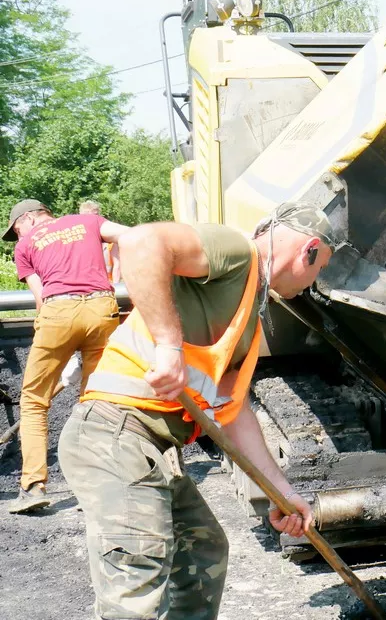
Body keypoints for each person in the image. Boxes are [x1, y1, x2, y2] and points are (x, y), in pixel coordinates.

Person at [58, 202, 338, 620]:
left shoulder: (248, 311)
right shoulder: (238, 252)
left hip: (153, 447)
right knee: (137, 580)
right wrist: (168, 347)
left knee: (203, 552)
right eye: (321, 267)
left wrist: (282, 492)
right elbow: (140, 241)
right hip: (115, 433)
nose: (315, 281)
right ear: (308, 250)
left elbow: (232, 412)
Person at [5, 199, 127, 514]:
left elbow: (40, 298)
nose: (18, 236)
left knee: (34, 401)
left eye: (17, 229)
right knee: (98, 400)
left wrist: (55, 337)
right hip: (102, 309)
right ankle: (98, 489)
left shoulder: (25, 246)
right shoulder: (87, 222)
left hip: (58, 312)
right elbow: (132, 236)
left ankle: (33, 487)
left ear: (29, 219)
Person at [79, 200, 121, 282]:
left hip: (107, 284)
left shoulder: (110, 241)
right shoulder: (75, 241)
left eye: (96, 216)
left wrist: (116, 286)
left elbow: (117, 265)